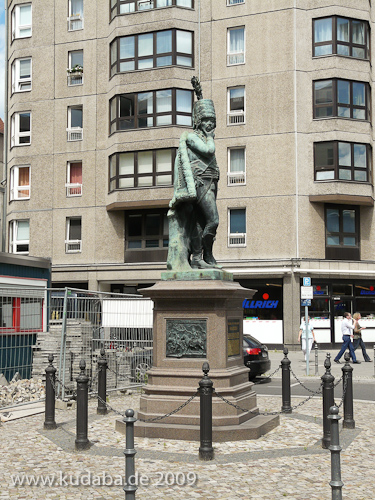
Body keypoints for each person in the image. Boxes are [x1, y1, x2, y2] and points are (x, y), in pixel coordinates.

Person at [167, 77, 221, 271]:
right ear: (197, 121)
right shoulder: (192, 137)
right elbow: (209, 151)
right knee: (213, 220)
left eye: (212, 121)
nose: (209, 124)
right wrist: (209, 137)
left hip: (210, 182)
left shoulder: (203, 136)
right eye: (206, 120)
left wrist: (200, 95)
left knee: (201, 222)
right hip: (199, 183)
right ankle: (206, 254)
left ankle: (199, 258)